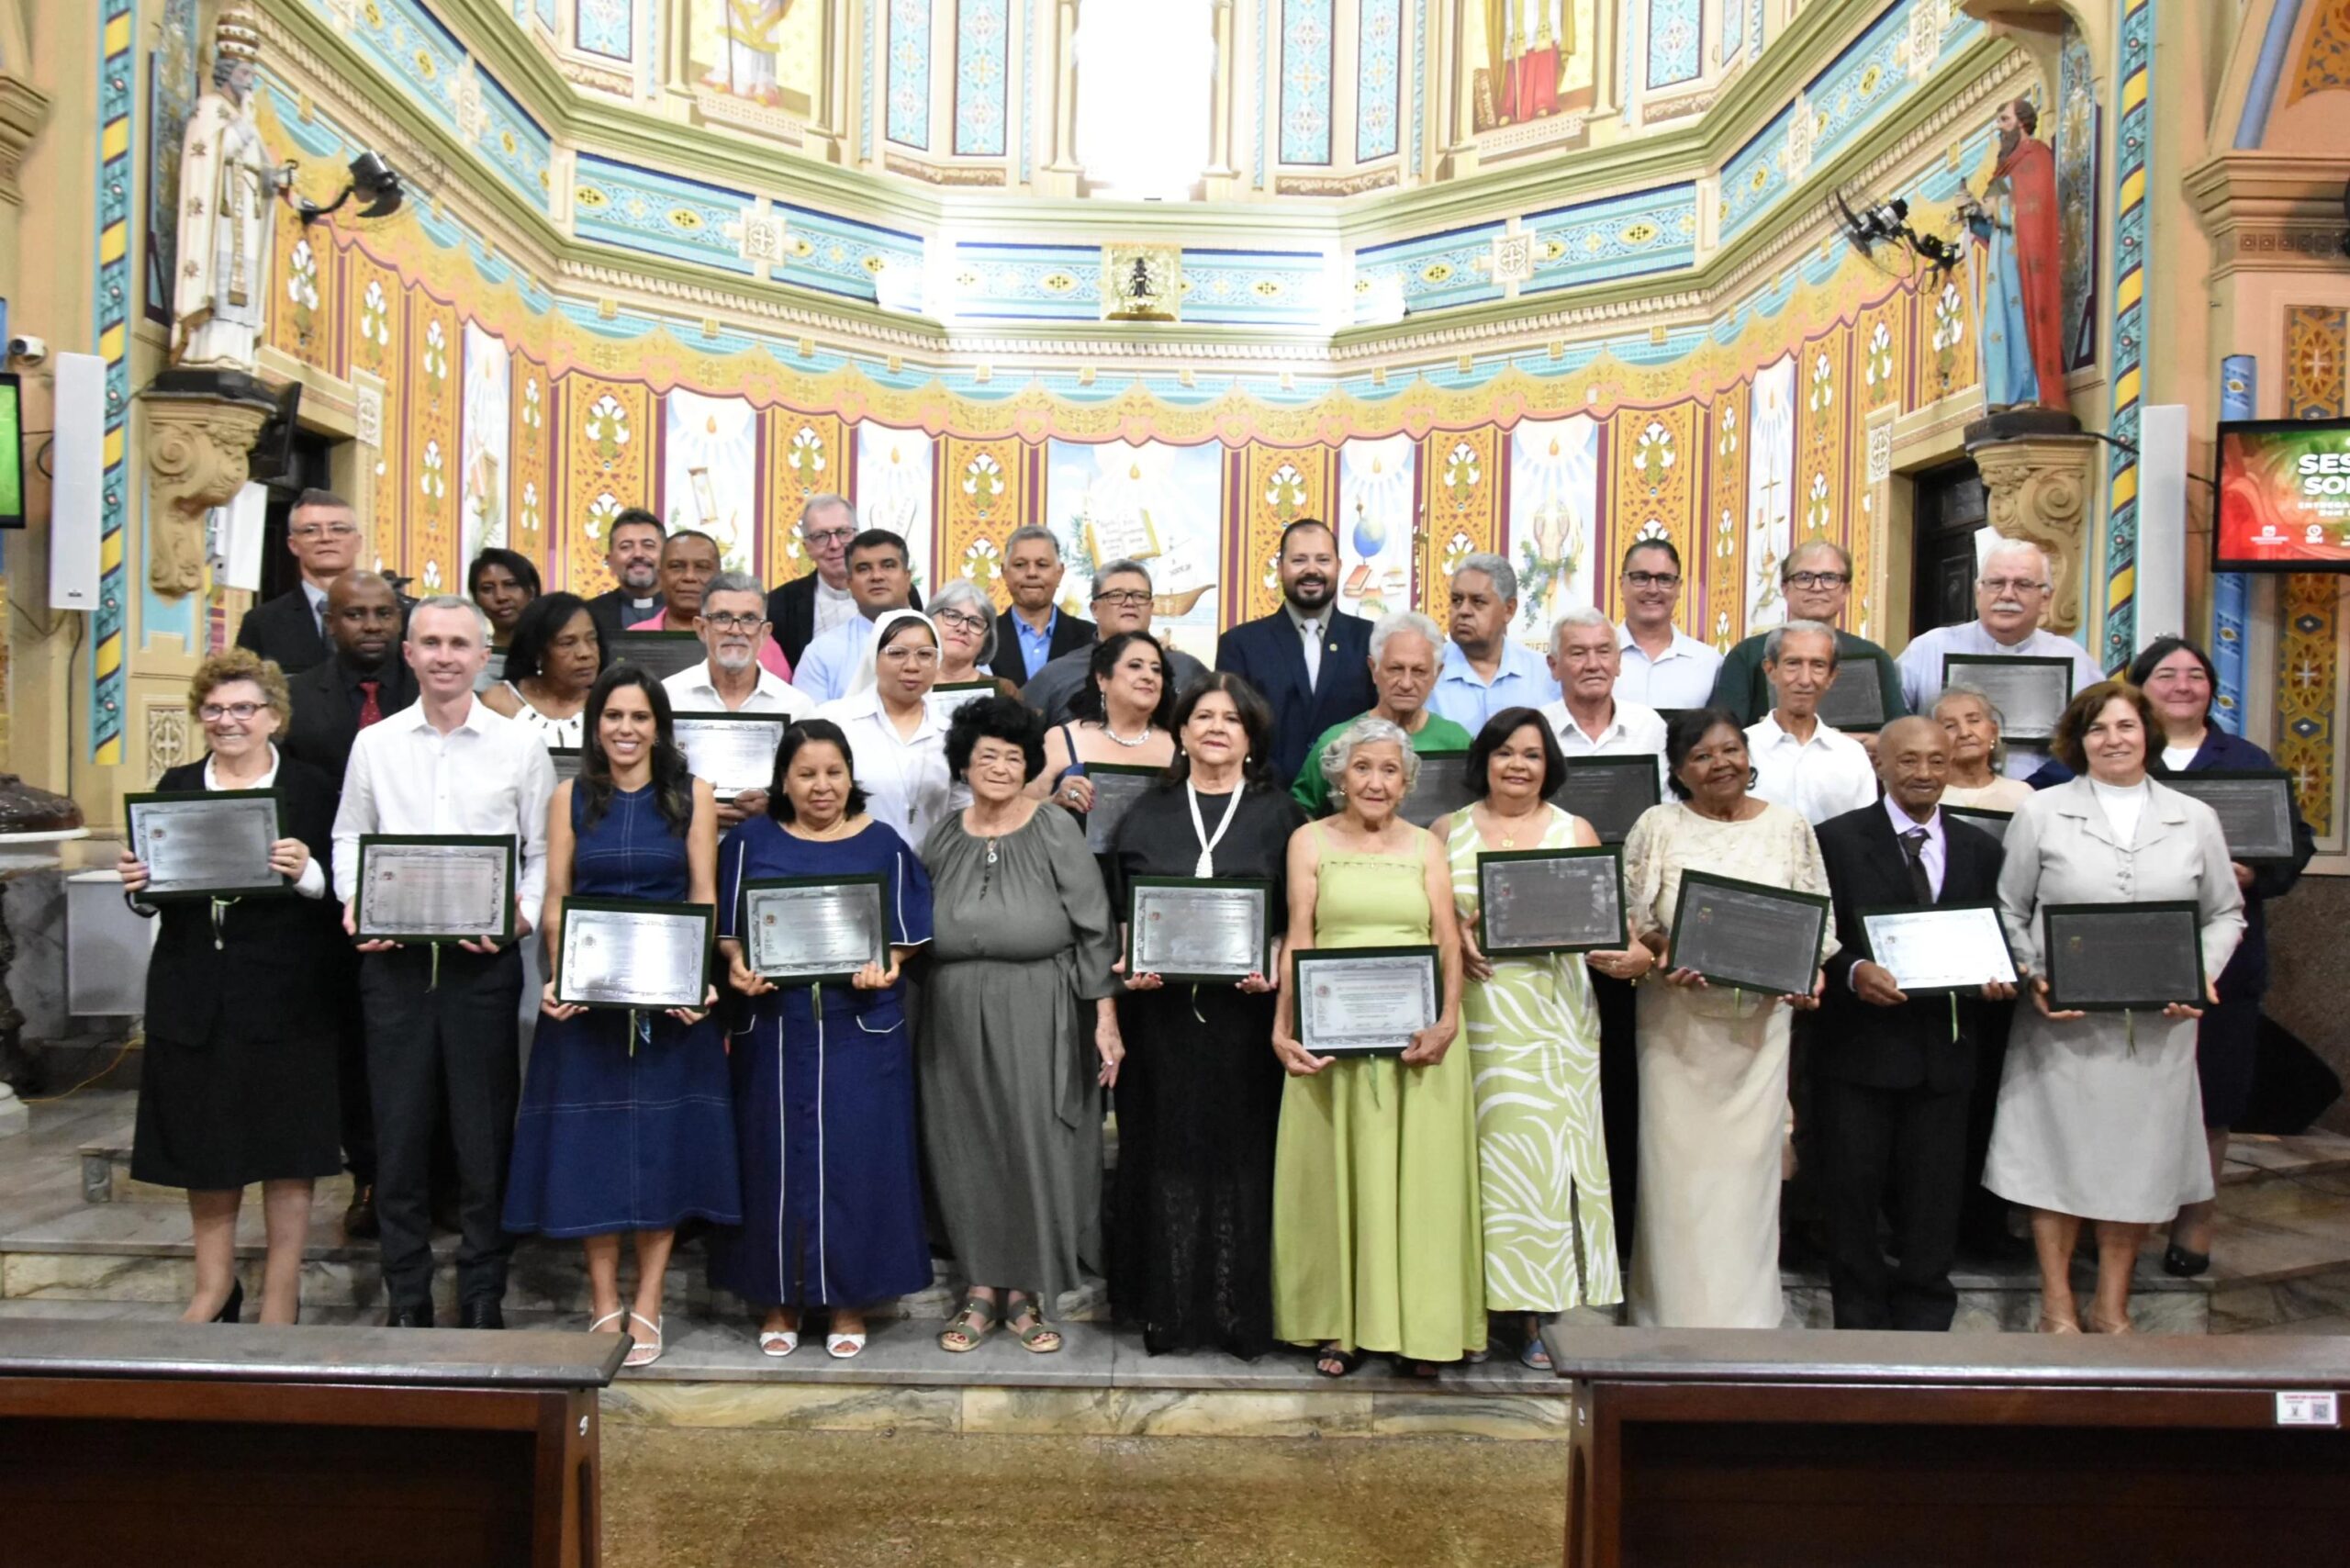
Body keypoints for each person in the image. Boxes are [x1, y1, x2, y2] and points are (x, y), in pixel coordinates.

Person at [2032, 640, 2312, 1279]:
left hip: (2212, 974)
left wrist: (2254, 872)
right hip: (2093, 977)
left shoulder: (2244, 760)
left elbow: (2292, 845)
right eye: (2167, 674)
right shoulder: (2082, 775)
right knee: (2099, 1103)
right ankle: (2094, 1222)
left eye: (2197, 675)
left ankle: (2195, 1219)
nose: (2183, 685)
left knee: (2209, 1099)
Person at [1987, 681, 2244, 1333]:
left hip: (2158, 1028)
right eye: (2098, 729)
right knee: (2057, 1154)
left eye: (2126, 727)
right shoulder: (2041, 813)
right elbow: (2010, 908)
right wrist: (2034, 975)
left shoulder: (2195, 818)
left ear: (2148, 735)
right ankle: (2055, 1304)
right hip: (2063, 1025)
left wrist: (2200, 976)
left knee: (2138, 1160)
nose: (2113, 740)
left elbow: (2224, 912)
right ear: (2078, 741)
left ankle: (2111, 1302)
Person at [501, 667, 738, 1368]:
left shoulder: (691, 796)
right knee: (592, 1153)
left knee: (663, 1149)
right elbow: (556, 898)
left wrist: (694, 979)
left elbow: (701, 894)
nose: (625, 729)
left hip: (671, 1007)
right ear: (594, 725)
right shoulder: (571, 796)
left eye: (638, 717)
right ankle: (604, 1298)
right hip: (588, 1004)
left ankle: (651, 1298)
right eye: (612, 717)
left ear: (659, 725)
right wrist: (557, 975)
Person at [331, 596, 555, 1328]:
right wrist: (355, 900)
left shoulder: (519, 745)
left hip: (481, 965)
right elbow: (348, 838)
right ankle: (407, 1295)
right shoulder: (378, 744)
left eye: (460, 644)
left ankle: (483, 1290)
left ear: (482, 654)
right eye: (430, 642)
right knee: (397, 1137)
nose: (444, 656)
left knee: (482, 1138)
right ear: (409, 653)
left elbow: (542, 850)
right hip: (394, 965)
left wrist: (519, 918)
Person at [118, 650, 343, 1325]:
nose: (228, 721)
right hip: (193, 991)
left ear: (273, 716)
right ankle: (213, 1286)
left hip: (287, 992)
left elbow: (345, 889)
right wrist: (139, 886)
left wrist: (306, 871)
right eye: (215, 709)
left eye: (244, 708)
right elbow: (155, 894)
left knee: (286, 1143)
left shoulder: (310, 787)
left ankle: (281, 1293)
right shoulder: (177, 783)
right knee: (203, 1142)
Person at [715, 719, 935, 1361]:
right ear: (783, 779)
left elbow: (907, 933)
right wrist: (736, 962)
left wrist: (887, 962)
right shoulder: (749, 842)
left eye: (833, 772)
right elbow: (730, 929)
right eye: (806, 774)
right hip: (775, 1027)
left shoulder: (884, 845)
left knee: (858, 1165)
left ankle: (849, 1303)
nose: (821, 786)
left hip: (859, 1029)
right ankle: (777, 1300)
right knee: (771, 1160)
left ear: (851, 776)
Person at [1438, 708, 1649, 1367]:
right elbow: (1430, 916)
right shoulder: (1447, 831)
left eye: (1531, 754)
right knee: (1481, 1164)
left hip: (1556, 1022)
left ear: (1548, 764)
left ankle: (1536, 1318)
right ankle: (1473, 1316)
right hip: (1479, 1015)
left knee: (1545, 1168)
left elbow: (1602, 918)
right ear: (1484, 761)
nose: (1518, 766)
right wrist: (1459, 934)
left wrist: (1635, 954)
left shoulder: (1573, 828)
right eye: (1504, 753)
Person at [1106, 675, 1305, 1358]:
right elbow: (1118, 913)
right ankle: (1169, 1310)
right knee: (1166, 1159)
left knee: (1241, 1163)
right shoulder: (1145, 812)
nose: (1217, 728)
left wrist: (1277, 955)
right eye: (1203, 716)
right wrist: (1132, 955)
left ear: (1252, 738)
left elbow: (1301, 917)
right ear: (1182, 731)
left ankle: (1235, 1312)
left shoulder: (1282, 816)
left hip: (1248, 1022)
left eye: (1232, 719)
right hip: (1160, 1021)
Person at [1270, 717, 1475, 1376]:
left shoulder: (1427, 846)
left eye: (1390, 770)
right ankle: (1340, 1326)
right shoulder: (1307, 841)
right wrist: (1283, 1027)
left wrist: (1448, 1019)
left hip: (1422, 1045)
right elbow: (1299, 937)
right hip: (1334, 1042)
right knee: (1336, 1181)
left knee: (1425, 1189)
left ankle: (1424, 1330)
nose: (1376, 781)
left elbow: (1447, 939)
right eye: (1363, 768)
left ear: (1408, 780)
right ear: (1339, 775)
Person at [1620, 709, 1834, 1327]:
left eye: (1732, 749)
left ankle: (1748, 1319)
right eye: (1703, 756)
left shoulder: (1790, 827)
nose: (1722, 764)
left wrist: (1808, 974)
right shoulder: (1657, 825)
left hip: (1761, 1032)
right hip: (1676, 1024)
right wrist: (1665, 952)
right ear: (1680, 771)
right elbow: (1633, 920)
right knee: (1676, 1179)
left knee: (1748, 1179)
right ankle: (1668, 1316)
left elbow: (1818, 923)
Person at [923, 698, 1121, 1356]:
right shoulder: (945, 834)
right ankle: (980, 1291)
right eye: (987, 756)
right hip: (950, 1011)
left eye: (1013, 757)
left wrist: (1106, 1019)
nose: (1001, 768)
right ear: (964, 765)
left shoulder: (1054, 828)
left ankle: (1028, 1294)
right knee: (965, 1146)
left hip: (1041, 1004)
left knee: (1032, 1142)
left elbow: (1095, 927)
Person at [1812, 717, 2013, 1330]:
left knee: (1934, 1195)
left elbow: (1996, 935)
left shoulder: (1982, 848)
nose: (1923, 773)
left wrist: (1999, 975)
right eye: (1909, 761)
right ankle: (1860, 1316)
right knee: (1853, 1193)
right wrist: (1852, 972)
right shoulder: (1835, 841)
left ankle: (1928, 1312)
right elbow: (1819, 933)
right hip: (1859, 1051)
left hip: (1945, 1054)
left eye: (1936, 761)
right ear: (1880, 766)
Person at [281, 569, 414, 1239]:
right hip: (327, 906)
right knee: (353, 1050)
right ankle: (369, 1175)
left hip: (427, 905)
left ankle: (430, 1178)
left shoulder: (430, 689)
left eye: (383, 614)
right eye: (355, 614)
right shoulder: (298, 700)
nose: (370, 626)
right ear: (330, 622)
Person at [1535, 606, 1669, 1264]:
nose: (1592, 663)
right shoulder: (1534, 733)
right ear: (1553, 664)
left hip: (1627, 936)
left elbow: (1671, 833)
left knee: (1615, 1093)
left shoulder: (1651, 730)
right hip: (1542, 936)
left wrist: (1649, 937)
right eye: (1577, 653)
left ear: (1621, 662)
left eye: (1603, 651)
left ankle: (1611, 1249)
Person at [1894, 540, 2103, 767]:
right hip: (1942, 795)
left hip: (2043, 795)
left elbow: (2099, 731)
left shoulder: (2073, 658)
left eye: (2023, 584)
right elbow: (1891, 730)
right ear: (1978, 592)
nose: (2007, 595)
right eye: (1996, 583)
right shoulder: (1928, 649)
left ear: (2045, 599)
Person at [1214, 519, 1377, 784]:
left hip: (1351, 803)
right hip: (1263, 800)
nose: (1311, 570)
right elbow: (1231, 730)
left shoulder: (1370, 639)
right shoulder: (1240, 644)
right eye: (1299, 560)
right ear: (1280, 568)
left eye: (1323, 560)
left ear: (1339, 566)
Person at [661, 569, 814, 825]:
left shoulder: (798, 707)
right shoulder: (667, 697)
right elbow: (645, 782)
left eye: (749, 619)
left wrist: (775, 804)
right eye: (722, 618)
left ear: (765, 632)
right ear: (701, 628)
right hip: (681, 842)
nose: (736, 630)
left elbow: (810, 786)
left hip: (767, 845)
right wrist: (691, 805)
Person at [1707, 542, 1906, 728]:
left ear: (1846, 590)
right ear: (1785, 588)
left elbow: (1899, 735)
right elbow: (1724, 734)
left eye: (1829, 578)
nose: (1817, 587)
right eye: (1804, 578)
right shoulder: (1748, 654)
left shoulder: (1874, 656)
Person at [1291, 611, 1472, 816]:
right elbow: (1298, 814)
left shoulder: (1458, 741)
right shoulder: (1336, 741)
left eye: (1419, 671)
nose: (1406, 683)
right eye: (1395, 669)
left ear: (1436, 674)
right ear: (1373, 669)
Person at [1957, 97, 2068, 414]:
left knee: (2021, 319)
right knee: (1998, 321)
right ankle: (2003, 394)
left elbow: (2038, 206)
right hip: (1999, 263)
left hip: (2023, 259)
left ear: (2022, 122)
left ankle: (2028, 392)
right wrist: (1972, 209)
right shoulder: (2002, 169)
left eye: (2004, 120)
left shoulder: (2037, 157)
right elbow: (1987, 220)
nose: (2000, 127)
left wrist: (1999, 209)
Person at [813, 609, 957, 850]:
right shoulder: (834, 722)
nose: (912, 665)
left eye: (925, 654)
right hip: (854, 866)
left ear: (938, 661)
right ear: (874, 657)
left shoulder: (952, 733)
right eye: (897, 653)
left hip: (931, 873)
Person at [1022, 559, 1208, 724]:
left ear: (1151, 608)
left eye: (1139, 596)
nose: (1129, 603)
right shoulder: (1057, 675)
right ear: (1094, 609)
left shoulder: (1186, 669)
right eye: (1116, 595)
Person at [767, 495, 925, 669]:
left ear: (857, 535)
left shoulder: (899, 591)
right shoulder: (780, 604)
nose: (834, 545)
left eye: (843, 533)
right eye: (821, 536)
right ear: (807, 548)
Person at [1745, 621, 1878, 826]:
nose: (1805, 679)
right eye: (1793, 664)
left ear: (1832, 676)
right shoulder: (1743, 749)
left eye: (1818, 665)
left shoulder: (1851, 755)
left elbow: (1866, 833)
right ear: (1771, 670)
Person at [1035, 632, 1179, 815]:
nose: (1149, 676)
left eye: (1156, 669)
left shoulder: (1180, 744)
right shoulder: (1062, 739)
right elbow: (1018, 814)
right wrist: (1054, 802)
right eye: (1135, 666)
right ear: (1102, 678)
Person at [629, 529, 790, 679]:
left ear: (718, 576)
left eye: (702, 568)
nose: (689, 577)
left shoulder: (756, 641)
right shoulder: (633, 638)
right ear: (660, 575)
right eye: (677, 567)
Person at [1427, 554, 1558, 733]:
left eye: (1478, 602)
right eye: (1456, 600)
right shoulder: (1426, 672)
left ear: (1509, 610)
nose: (1463, 611)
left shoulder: (1545, 674)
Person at [237, 488, 361, 676]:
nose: (326, 538)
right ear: (293, 545)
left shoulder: (403, 615)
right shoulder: (261, 623)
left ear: (358, 542)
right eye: (311, 530)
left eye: (338, 529)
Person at [794, 529, 918, 704]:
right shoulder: (821, 654)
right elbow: (809, 728)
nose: (876, 576)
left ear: (907, 578)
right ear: (849, 584)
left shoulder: (943, 644)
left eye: (888, 565)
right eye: (864, 569)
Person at [482, 591, 604, 746]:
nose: (585, 653)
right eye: (567, 643)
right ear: (538, 652)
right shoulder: (500, 702)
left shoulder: (609, 704)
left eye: (591, 639)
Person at [1612, 540, 1720, 711]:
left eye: (1664, 579)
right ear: (1621, 584)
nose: (1653, 589)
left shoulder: (1709, 663)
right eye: (1641, 578)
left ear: (1678, 588)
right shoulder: (1594, 660)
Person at [989, 525, 1095, 689]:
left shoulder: (1091, 640)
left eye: (1042, 564)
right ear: (1004, 572)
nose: (1032, 573)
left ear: (1060, 573)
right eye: (1020, 564)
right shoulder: (983, 637)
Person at [1932, 684, 2036, 811]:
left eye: (1974, 721)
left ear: (1994, 731)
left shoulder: (2022, 795)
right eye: (1949, 726)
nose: (1964, 733)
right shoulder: (1927, 798)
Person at [926, 577, 1022, 704]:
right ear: (930, 621)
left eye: (975, 623)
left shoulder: (1004, 691)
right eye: (953, 616)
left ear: (986, 639)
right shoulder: (906, 684)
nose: (963, 628)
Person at [584, 507, 666, 646]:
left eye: (648, 545)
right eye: (626, 547)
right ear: (610, 561)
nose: (638, 554)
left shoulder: (689, 610)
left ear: (666, 557)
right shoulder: (589, 615)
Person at [468, 547, 542, 690]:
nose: (501, 597)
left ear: (531, 591)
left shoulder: (552, 653)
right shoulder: (471, 662)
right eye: (487, 589)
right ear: (476, 599)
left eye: (510, 585)